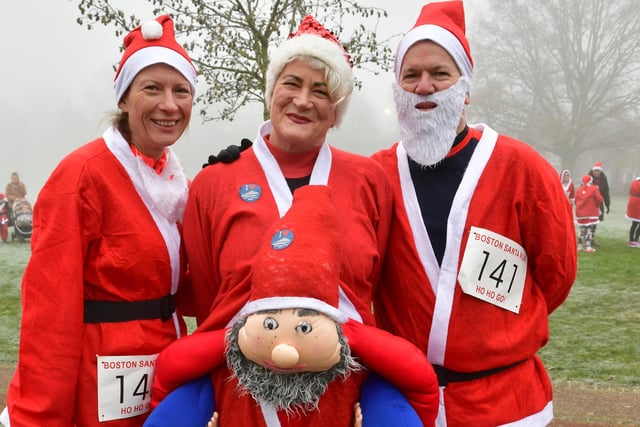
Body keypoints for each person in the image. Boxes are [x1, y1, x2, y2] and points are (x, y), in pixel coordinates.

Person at [370, 2, 577, 426]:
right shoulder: (373, 175)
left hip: (506, 404)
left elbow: (556, 274)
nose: (423, 86)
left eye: (439, 73)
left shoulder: (523, 169)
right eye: (411, 75)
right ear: (397, 88)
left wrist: (494, 330)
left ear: (465, 87)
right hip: (406, 405)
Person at [1, 15, 196, 427]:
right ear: (124, 99)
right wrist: (38, 415)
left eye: (181, 91)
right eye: (152, 89)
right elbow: (49, 312)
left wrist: (231, 185)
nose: (169, 104)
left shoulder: (176, 180)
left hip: (164, 369)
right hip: (100, 379)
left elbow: (195, 287)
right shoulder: (81, 176)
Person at [145, 186, 438, 427]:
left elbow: (419, 386)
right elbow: (171, 374)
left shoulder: (354, 378)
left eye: (305, 327)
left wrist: (352, 337)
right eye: (270, 324)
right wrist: (232, 337)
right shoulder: (226, 375)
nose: (283, 353)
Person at [575, 175, 603, 252]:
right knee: (590, 229)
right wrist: (596, 205)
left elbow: (575, 201)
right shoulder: (594, 189)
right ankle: (588, 246)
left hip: (580, 213)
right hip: (591, 213)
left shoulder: (578, 190)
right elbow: (599, 199)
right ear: (591, 181)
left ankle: (580, 246)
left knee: (581, 230)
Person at [588, 161, 610, 246]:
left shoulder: (603, 179)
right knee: (588, 222)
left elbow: (606, 192)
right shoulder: (588, 177)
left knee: (595, 221)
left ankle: (591, 238)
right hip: (589, 204)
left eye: (598, 171)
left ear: (600, 171)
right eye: (595, 171)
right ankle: (587, 239)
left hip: (598, 203)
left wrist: (608, 205)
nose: (596, 172)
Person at [625, 176, 640, 247]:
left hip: (633, 202)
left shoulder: (635, 182)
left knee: (634, 223)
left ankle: (632, 239)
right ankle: (635, 240)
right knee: (637, 222)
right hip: (637, 203)